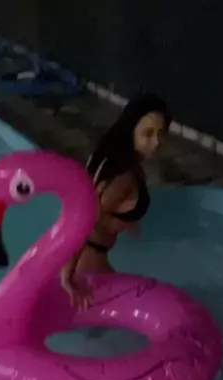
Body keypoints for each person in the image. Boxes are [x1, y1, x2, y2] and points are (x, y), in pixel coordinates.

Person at [61, 92, 171, 310]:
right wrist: (67, 275)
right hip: (90, 267)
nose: (157, 142)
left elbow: (90, 199)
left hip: (92, 260)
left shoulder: (109, 157)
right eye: (148, 133)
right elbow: (87, 219)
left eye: (161, 133)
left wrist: (123, 220)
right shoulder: (124, 177)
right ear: (131, 129)